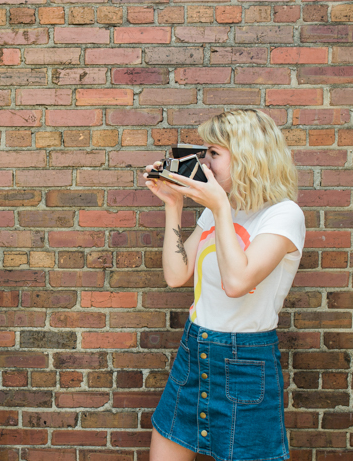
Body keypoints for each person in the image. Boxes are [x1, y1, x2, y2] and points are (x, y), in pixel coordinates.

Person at [144, 109, 304, 461]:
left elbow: (236, 283)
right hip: (194, 350)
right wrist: (174, 204)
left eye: (214, 154)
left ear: (248, 156)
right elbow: (175, 275)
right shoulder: (222, 206)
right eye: (205, 153)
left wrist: (218, 207)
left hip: (245, 363)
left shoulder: (283, 214)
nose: (205, 163)